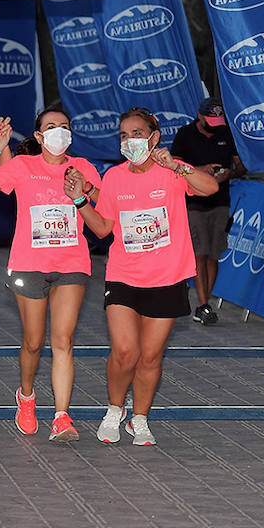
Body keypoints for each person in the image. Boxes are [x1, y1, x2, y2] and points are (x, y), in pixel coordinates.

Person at [65, 107, 218, 446]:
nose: (129, 140)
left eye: (136, 133)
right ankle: (114, 409)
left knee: (150, 357)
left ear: (154, 136)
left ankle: (139, 418)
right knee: (124, 351)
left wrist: (176, 166)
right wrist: (79, 200)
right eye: (123, 135)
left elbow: (209, 188)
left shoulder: (172, 171)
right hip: (123, 275)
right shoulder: (116, 177)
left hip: (167, 276)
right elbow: (104, 227)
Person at [0, 107, 102, 442]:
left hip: (72, 263)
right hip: (29, 264)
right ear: (40, 136)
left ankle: (61, 416)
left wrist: (85, 189)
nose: (59, 132)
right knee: (32, 341)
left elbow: (104, 205)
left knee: (63, 340)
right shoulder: (23, 166)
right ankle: (26, 396)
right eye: (51, 127)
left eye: (65, 127)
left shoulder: (82, 166)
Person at [171, 98, 243, 324]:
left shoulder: (226, 133)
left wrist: (228, 174)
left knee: (214, 255)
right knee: (199, 252)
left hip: (221, 200)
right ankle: (203, 304)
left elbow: (241, 165)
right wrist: (200, 171)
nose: (214, 125)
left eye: (217, 121)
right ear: (199, 115)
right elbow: (174, 166)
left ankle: (205, 303)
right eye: (210, 120)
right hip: (193, 202)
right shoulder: (185, 134)